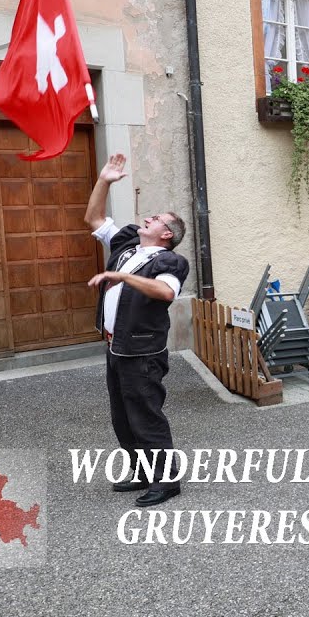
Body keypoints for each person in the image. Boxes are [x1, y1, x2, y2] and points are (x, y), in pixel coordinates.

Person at [85, 153, 189, 508]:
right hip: (116, 346)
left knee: (146, 415)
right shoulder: (129, 243)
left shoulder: (169, 261)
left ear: (166, 234)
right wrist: (104, 180)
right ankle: (143, 472)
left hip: (143, 353)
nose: (148, 218)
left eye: (156, 218)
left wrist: (122, 276)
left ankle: (167, 481)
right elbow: (94, 218)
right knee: (122, 417)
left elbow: (165, 292)